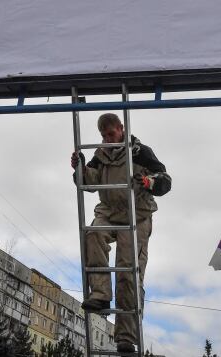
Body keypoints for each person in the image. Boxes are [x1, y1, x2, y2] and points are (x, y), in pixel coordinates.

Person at [70, 113, 171, 355]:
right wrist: (80, 167)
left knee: (128, 272)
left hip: (136, 214)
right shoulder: (101, 154)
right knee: (93, 233)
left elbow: (165, 180)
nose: (108, 139)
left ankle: (126, 337)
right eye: (104, 136)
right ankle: (101, 293)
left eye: (111, 134)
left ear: (122, 129)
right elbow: (90, 183)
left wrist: (148, 181)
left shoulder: (140, 151)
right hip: (109, 210)